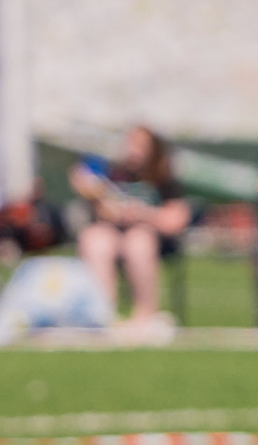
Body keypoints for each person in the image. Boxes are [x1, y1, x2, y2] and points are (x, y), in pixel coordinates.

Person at [69, 124, 193, 327]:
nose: (133, 150)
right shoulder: (112, 171)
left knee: (138, 241)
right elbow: (93, 197)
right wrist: (101, 200)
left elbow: (177, 218)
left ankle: (144, 314)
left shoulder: (162, 178)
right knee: (94, 239)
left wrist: (144, 214)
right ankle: (103, 313)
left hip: (150, 237)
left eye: (141, 145)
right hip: (111, 232)